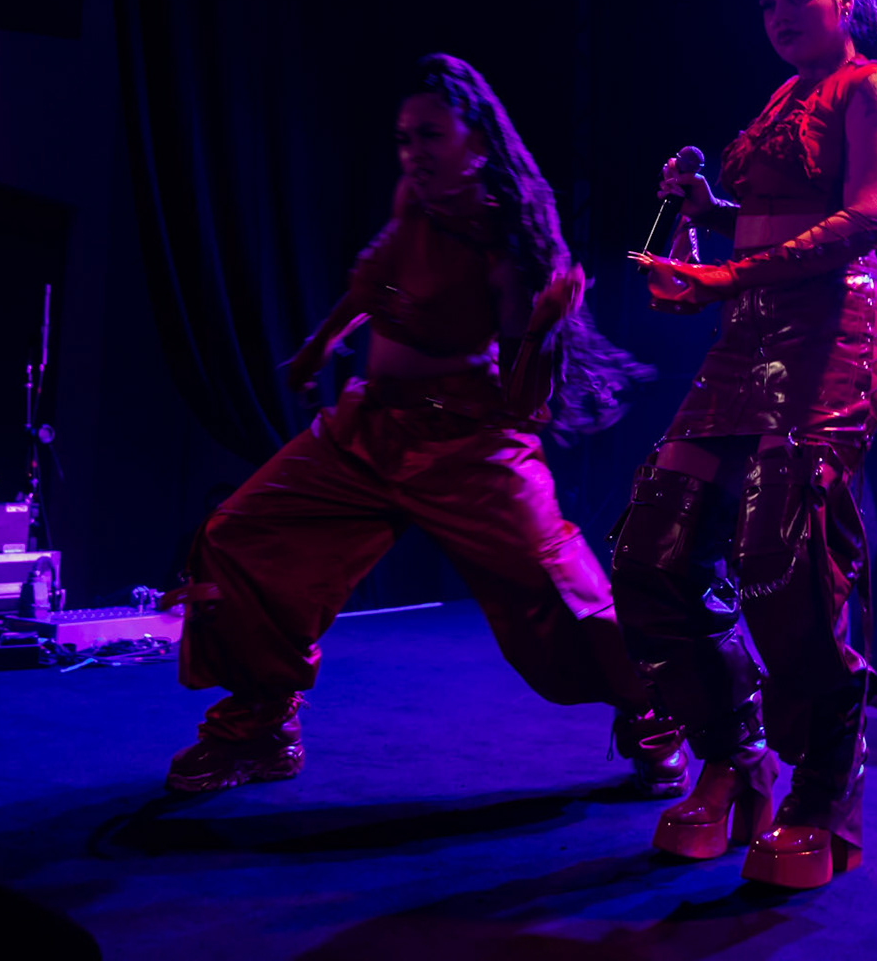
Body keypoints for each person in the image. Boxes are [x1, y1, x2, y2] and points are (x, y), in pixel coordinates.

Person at [164, 54, 686, 799]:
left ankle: (650, 716)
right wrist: (318, 345)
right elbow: (376, 280)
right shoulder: (417, 195)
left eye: (430, 136)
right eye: (405, 138)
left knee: (556, 585)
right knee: (240, 535)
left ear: (477, 141)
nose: (413, 152)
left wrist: (540, 331)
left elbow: (522, 398)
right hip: (369, 427)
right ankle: (262, 722)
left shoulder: (512, 241)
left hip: (469, 440)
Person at [612, 0, 877, 889]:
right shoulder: (783, 99)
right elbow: (775, 216)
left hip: (833, 333)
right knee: (652, 550)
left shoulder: (874, 88)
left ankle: (822, 788)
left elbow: (864, 219)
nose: (778, 17)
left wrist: (721, 273)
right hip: (748, 335)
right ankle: (735, 755)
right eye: (765, 4)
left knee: (783, 557)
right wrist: (705, 205)